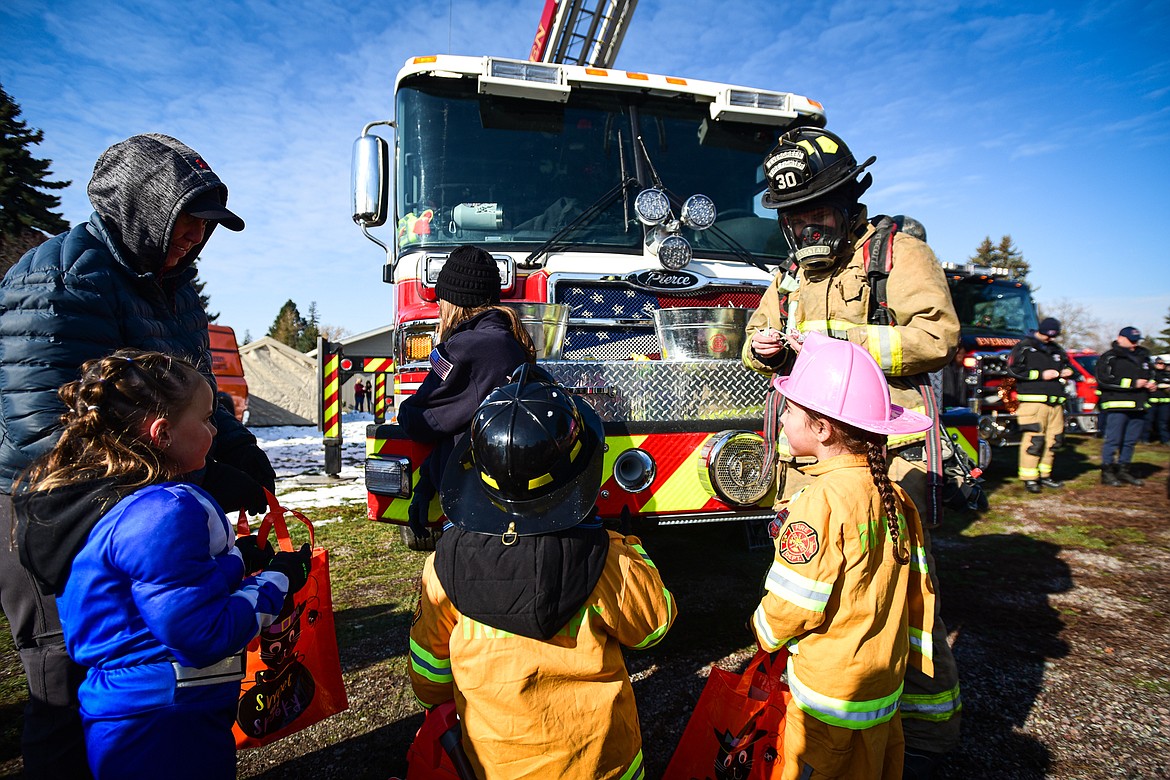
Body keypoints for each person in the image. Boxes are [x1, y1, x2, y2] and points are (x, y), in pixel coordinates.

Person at [0, 133, 276, 778]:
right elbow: (52, 430)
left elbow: (191, 392)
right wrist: (200, 472)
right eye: (184, 222)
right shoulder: (60, 280)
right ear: (141, 211)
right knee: (63, 673)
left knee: (138, 660)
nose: (194, 239)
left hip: (136, 498)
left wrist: (236, 447)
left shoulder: (172, 287)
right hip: (49, 507)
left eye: (204, 228)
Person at [742, 127, 962, 776]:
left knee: (900, 594)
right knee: (818, 587)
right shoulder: (786, 276)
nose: (808, 231)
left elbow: (938, 334)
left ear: (849, 203)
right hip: (811, 460)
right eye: (795, 220)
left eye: (819, 216)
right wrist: (764, 348)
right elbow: (760, 332)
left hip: (888, 452)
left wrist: (842, 348)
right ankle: (823, 705)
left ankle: (925, 736)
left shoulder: (897, 254)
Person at [12, 350, 312, 780]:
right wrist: (275, 581)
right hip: (163, 719)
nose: (215, 431)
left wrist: (237, 564)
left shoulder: (124, 503)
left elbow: (155, 589)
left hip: (144, 708)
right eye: (208, 419)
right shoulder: (165, 511)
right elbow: (202, 635)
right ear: (163, 432)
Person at [408, 364, 676, 779]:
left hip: (493, 767)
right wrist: (629, 547)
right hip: (603, 767)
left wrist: (443, 703)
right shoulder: (606, 559)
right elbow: (653, 627)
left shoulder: (443, 566)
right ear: (578, 474)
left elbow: (429, 672)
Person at [752, 332, 935, 779]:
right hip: (882, 685)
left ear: (822, 428)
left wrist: (763, 632)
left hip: (828, 696)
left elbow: (794, 604)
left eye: (790, 410)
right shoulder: (892, 493)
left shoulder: (820, 502)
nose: (784, 419)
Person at [394, 244, 535, 542]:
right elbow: (461, 425)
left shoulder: (466, 348)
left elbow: (424, 420)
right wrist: (425, 487)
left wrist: (403, 411)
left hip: (474, 504)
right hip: (504, 494)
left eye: (440, 300)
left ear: (453, 301)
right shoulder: (510, 341)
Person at [1006, 318, 1074, 493]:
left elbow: (1068, 365)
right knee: (1034, 440)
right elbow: (1013, 370)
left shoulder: (1057, 349)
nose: (1049, 338)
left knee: (1054, 441)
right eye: (1046, 334)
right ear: (1040, 330)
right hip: (1033, 403)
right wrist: (1040, 375)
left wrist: (1068, 372)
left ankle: (1045, 475)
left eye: (1053, 335)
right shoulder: (1024, 347)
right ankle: (1030, 478)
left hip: (1056, 403)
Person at [1096, 326, 1153, 486]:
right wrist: (1132, 384)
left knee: (1130, 441)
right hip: (1117, 405)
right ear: (1120, 338)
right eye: (1132, 341)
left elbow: (1151, 374)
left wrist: (1151, 383)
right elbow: (1104, 380)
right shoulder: (1109, 357)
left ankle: (1124, 470)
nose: (1135, 344)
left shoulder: (1143, 356)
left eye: (1137, 341)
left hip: (1139, 405)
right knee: (1113, 440)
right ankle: (1107, 472)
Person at [1144, 357, 1170, 444]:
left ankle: (1165, 439)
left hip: (1165, 402)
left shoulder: (1167, 374)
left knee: (1163, 421)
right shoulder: (1150, 374)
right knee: (1149, 420)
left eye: (1162, 363)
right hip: (1152, 402)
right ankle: (1145, 439)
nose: (1161, 365)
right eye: (1158, 363)